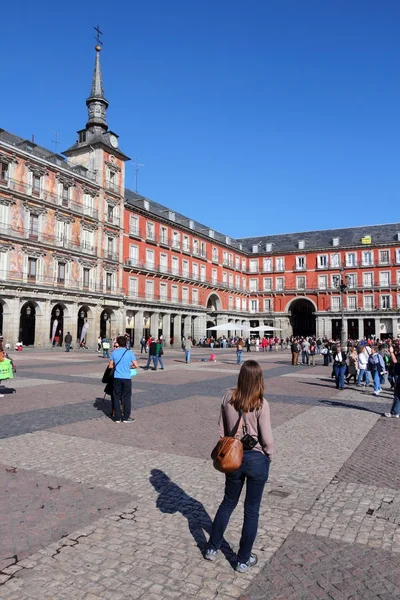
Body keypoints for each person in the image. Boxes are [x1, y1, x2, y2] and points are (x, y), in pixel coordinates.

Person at [204, 360, 274, 573]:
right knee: (251, 511)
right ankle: (243, 560)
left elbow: (221, 429)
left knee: (227, 503)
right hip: (256, 458)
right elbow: (267, 438)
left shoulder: (227, 398)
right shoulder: (261, 403)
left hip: (233, 457)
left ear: (241, 377)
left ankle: (212, 548)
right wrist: (269, 456)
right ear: (259, 379)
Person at [108, 335, 138, 423]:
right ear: (126, 343)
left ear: (117, 342)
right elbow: (136, 365)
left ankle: (117, 417)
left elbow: (110, 366)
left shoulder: (114, 353)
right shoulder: (130, 353)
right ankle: (126, 417)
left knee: (116, 397)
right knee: (127, 397)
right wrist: (129, 366)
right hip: (127, 378)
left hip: (117, 377)